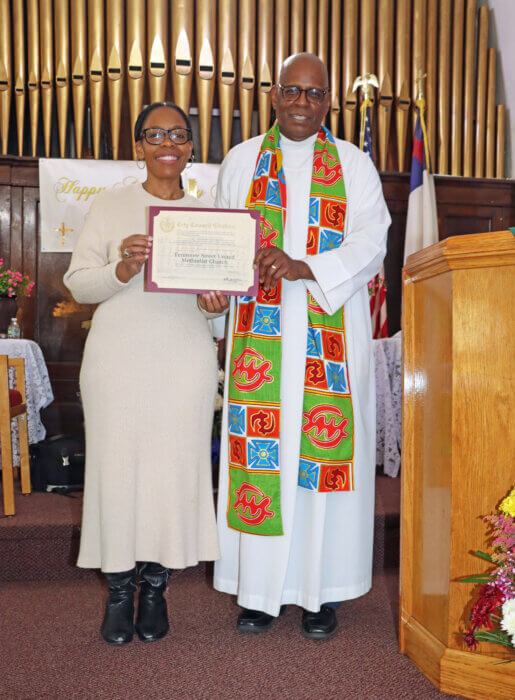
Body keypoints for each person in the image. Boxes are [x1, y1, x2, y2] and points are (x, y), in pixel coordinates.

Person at [199, 53, 391, 640]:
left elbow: (372, 242)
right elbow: (218, 237)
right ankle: (259, 594)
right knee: (263, 459)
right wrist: (214, 300)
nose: (303, 103)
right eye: (293, 91)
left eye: (315, 94)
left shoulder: (355, 166)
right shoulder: (241, 160)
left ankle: (319, 594)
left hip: (326, 336)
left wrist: (306, 266)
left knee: (318, 468)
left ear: (328, 101)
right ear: (274, 96)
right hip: (259, 336)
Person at [64, 102, 220, 645]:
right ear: (138, 147)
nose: (167, 143)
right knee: (117, 475)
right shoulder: (110, 208)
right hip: (117, 362)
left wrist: (214, 303)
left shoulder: (212, 215)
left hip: (185, 363)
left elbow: (221, 312)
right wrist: (121, 268)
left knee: (173, 477)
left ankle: (156, 588)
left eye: (178, 134)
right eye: (154, 134)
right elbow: (80, 284)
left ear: (192, 147)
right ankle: (118, 591)